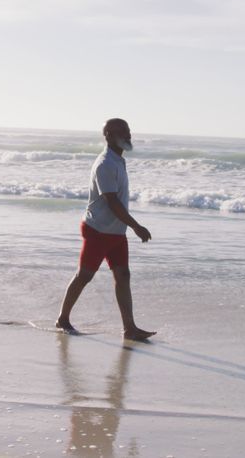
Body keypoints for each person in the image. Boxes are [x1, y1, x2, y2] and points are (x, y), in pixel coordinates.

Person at [56, 118, 156, 341]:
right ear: (109, 135)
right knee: (84, 276)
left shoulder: (119, 160)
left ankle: (129, 328)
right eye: (123, 132)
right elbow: (112, 201)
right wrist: (136, 226)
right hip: (98, 230)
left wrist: (127, 228)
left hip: (116, 232)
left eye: (129, 131)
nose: (128, 136)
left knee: (123, 275)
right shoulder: (105, 164)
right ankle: (63, 318)